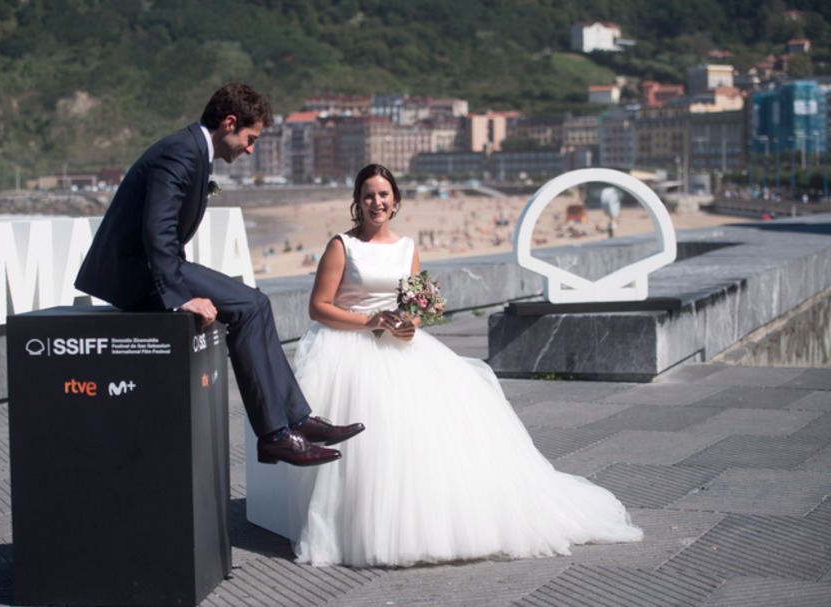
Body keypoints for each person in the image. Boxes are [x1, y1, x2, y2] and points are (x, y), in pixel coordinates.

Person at [285, 163, 643, 567]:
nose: (376, 202)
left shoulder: (407, 247)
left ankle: (415, 524)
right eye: (369, 195)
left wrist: (410, 324)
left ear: (396, 200)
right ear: (357, 201)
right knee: (370, 446)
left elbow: (413, 305)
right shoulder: (342, 246)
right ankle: (355, 525)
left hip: (400, 349)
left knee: (424, 443)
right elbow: (319, 308)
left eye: (384, 194)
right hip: (350, 348)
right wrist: (371, 322)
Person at [74, 84, 364, 467]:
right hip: (133, 275)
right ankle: (276, 434)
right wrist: (179, 297)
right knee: (249, 306)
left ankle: (296, 420)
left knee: (256, 303)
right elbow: (157, 229)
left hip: (155, 266)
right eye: (250, 138)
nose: (250, 149)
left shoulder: (193, 151)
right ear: (229, 123)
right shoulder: (182, 152)